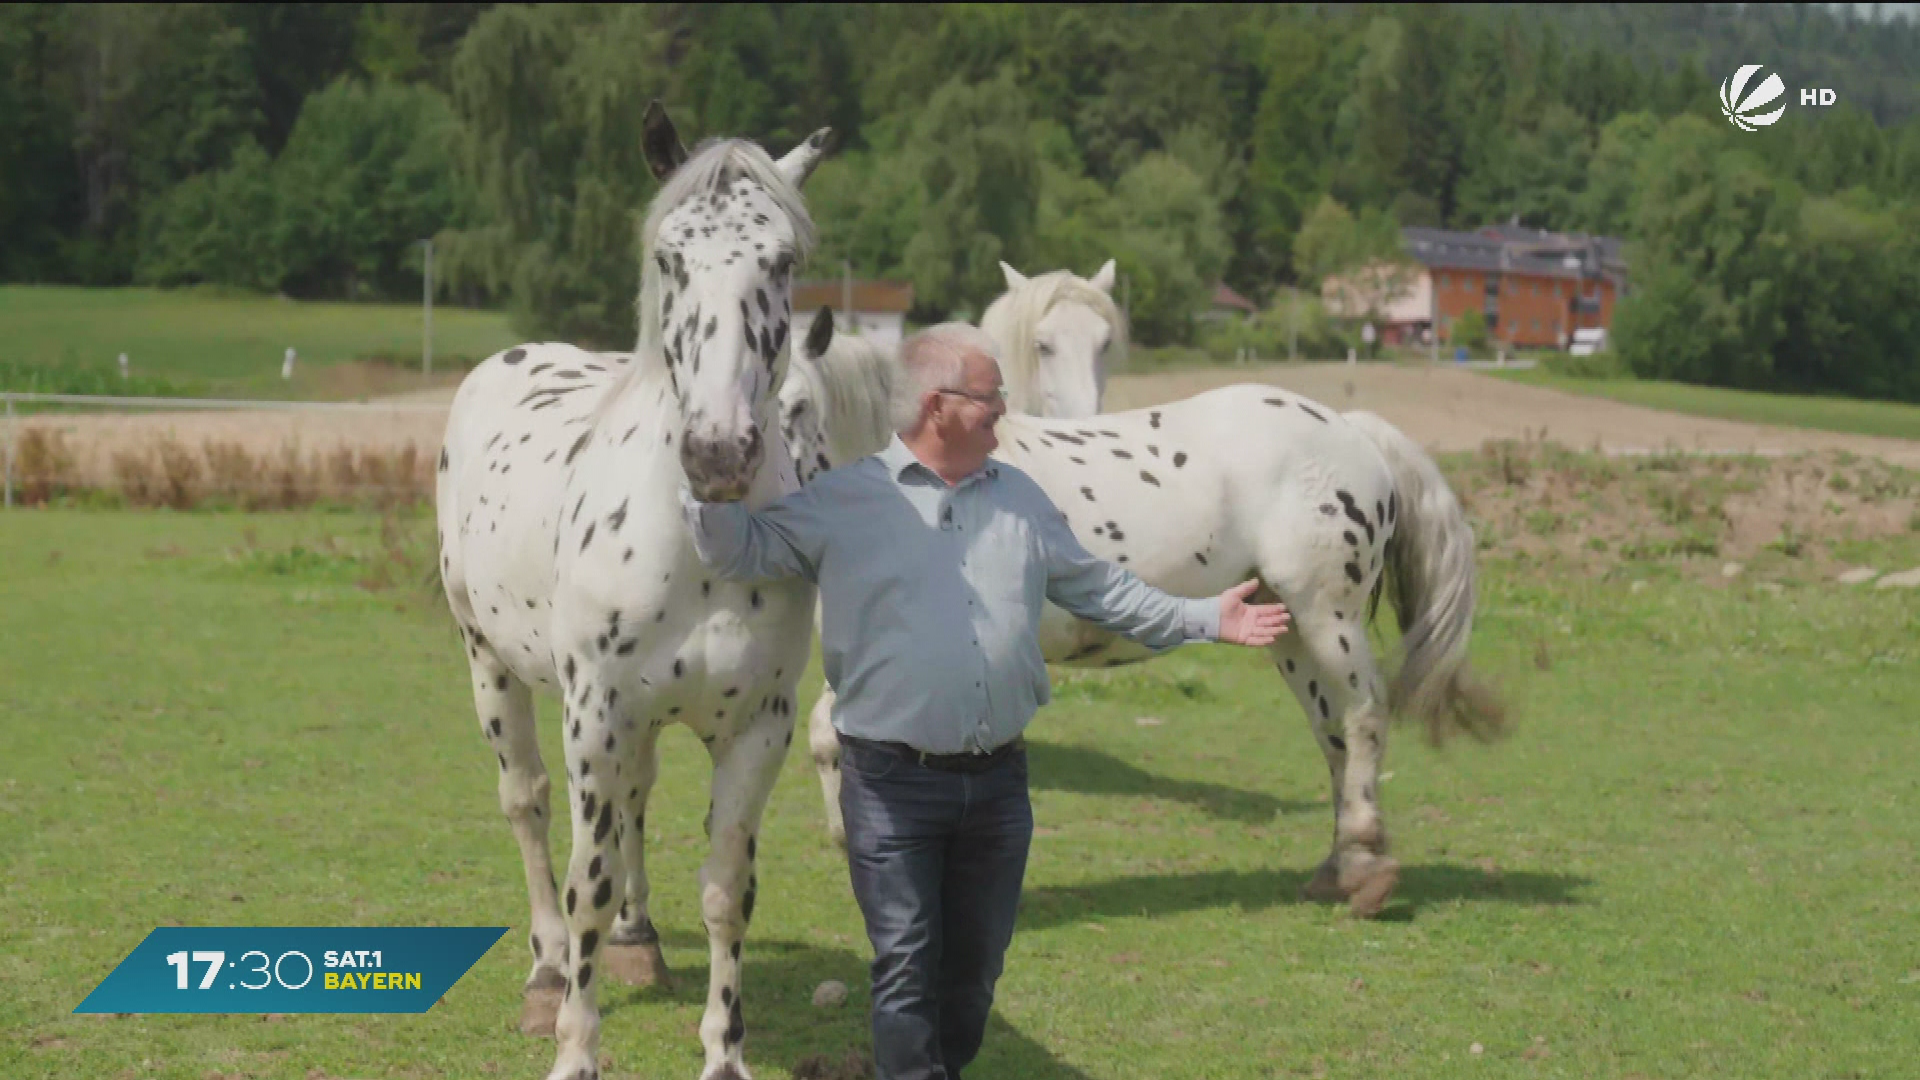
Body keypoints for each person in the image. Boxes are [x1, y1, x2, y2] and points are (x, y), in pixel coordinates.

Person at [680, 323, 1289, 1080]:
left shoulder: (1023, 501)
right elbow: (733, 548)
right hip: (891, 784)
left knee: (971, 977)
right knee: (904, 963)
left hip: (999, 787)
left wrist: (1208, 619)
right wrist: (707, 480)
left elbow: (1104, 591)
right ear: (939, 406)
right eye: (992, 394)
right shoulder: (844, 501)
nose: (1005, 407)